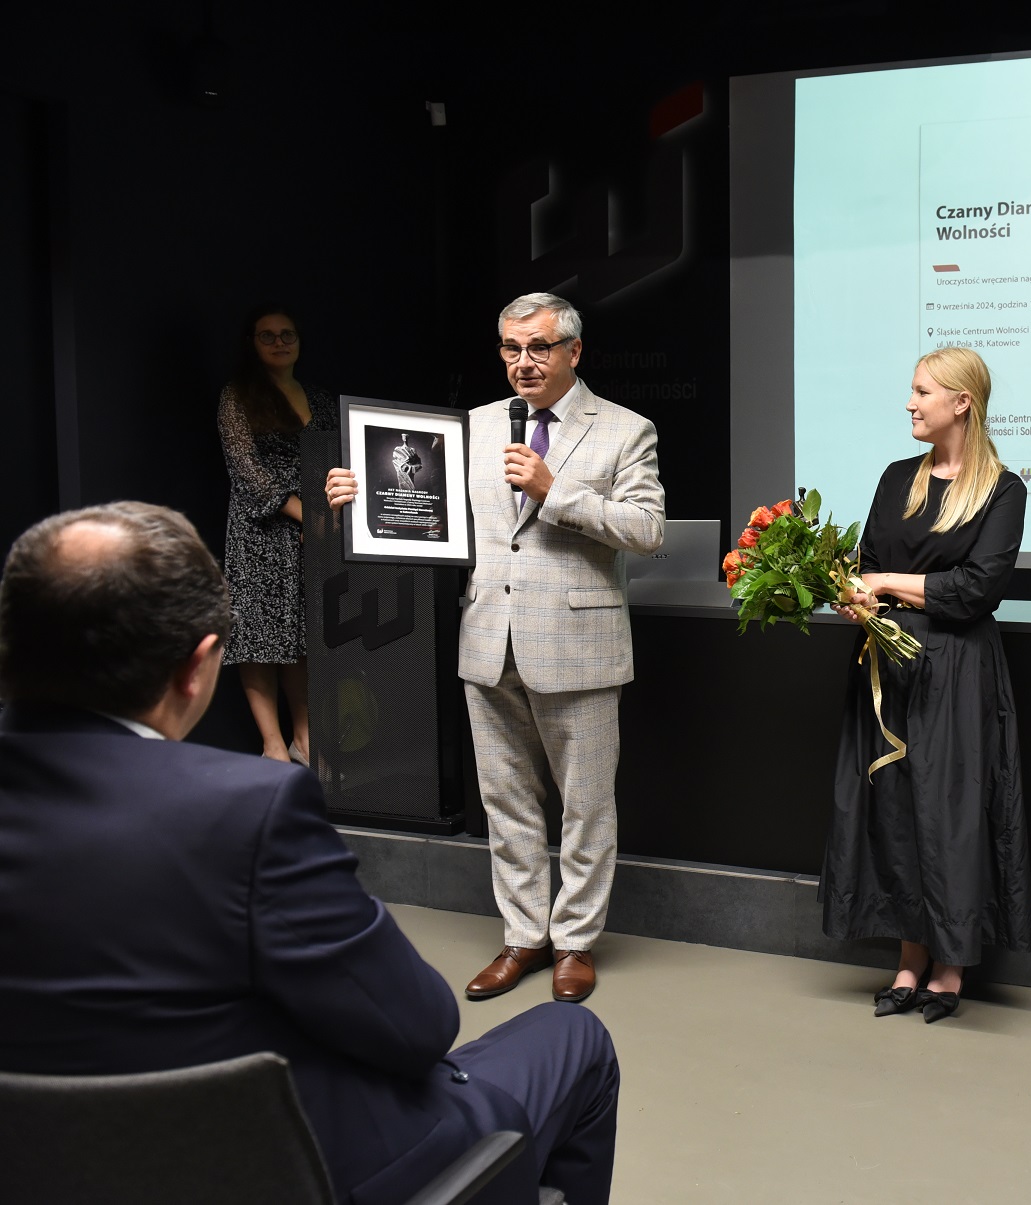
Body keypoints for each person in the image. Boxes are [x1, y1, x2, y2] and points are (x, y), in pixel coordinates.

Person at [0, 502, 620, 1205]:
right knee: (574, 1038)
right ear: (196, 669)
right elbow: (419, 1026)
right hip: (291, 1168)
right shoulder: (247, 811)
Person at [327, 293, 664, 1006]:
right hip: (488, 637)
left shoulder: (625, 429)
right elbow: (427, 517)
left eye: (539, 347)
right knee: (505, 801)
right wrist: (364, 498)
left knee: (585, 807)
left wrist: (554, 489)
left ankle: (574, 942)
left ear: (574, 350)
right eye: (511, 348)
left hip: (578, 643)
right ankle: (523, 936)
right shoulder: (472, 426)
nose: (523, 362)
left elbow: (645, 529)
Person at [821, 346, 1031, 1023]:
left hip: (956, 671)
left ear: (961, 402)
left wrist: (885, 583)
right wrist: (855, 595)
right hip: (888, 666)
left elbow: (975, 590)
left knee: (950, 815)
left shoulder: (1003, 489)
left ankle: (950, 968)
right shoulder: (896, 478)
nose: (910, 403)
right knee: (895, 811)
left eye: (922, 391)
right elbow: (867, 564)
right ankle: (910, 960)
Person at [218, 304, 336, 762]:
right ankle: (272, 744)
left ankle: (304, 739)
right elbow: (246, 469)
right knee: (258, 636)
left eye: (287, 334)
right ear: (252, 343)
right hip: (260, 531)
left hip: (313, 531)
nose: (279, 342)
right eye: (267, 335)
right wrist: (307, 515)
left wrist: (324, 517)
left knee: (300, 637)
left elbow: (338, 461)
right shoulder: (237, 396)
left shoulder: (320, 398)